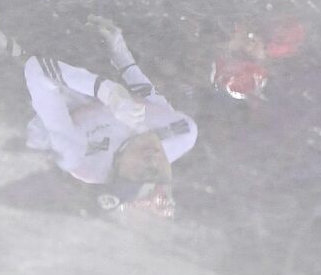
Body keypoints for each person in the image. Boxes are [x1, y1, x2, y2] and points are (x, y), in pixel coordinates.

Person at [24, 16, 197, 219]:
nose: (154, 160)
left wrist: (107, 94)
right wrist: (120, 53)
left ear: (116, 170)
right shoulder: (181, 132)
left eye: (143, 172)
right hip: (85, 71)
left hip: (33, 92)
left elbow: (37, 70)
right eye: (160, 174)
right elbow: (147, 94)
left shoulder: (78, 155)